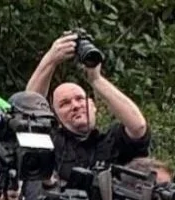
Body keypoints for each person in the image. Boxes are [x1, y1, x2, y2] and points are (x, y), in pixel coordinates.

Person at [26, 31, 151, 180]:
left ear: (93, 105)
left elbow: (138, 126)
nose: (75, 106)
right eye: (65, 104)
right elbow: (29, 109)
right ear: (56, 116)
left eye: (80, 98)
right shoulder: (52, 142)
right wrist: (50, 59)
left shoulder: (113, 142)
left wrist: (96, 80)